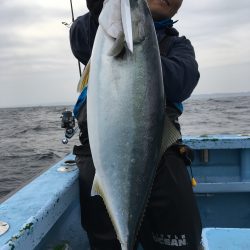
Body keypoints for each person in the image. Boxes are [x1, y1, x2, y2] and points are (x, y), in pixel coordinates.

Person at [70, 0, 202, 249]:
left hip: (159, 151)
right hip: (98, 154)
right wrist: (99, 11)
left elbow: (184, 81)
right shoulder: (98, 30)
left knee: (180, 227)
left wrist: (142, 52)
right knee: (103, 234)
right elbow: (79, 41)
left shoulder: (178, 45)